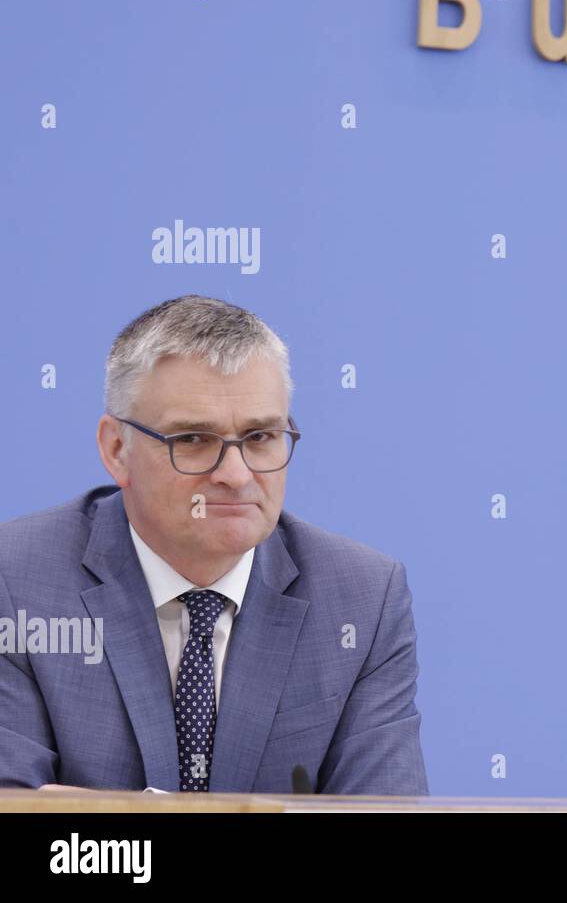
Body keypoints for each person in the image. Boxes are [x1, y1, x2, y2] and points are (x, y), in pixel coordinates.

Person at [0, 295, 428, 795]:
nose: (235, 474)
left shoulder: (363, 598)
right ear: (117, 449)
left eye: (261, 437)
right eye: (194, 440)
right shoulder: (15, 581)